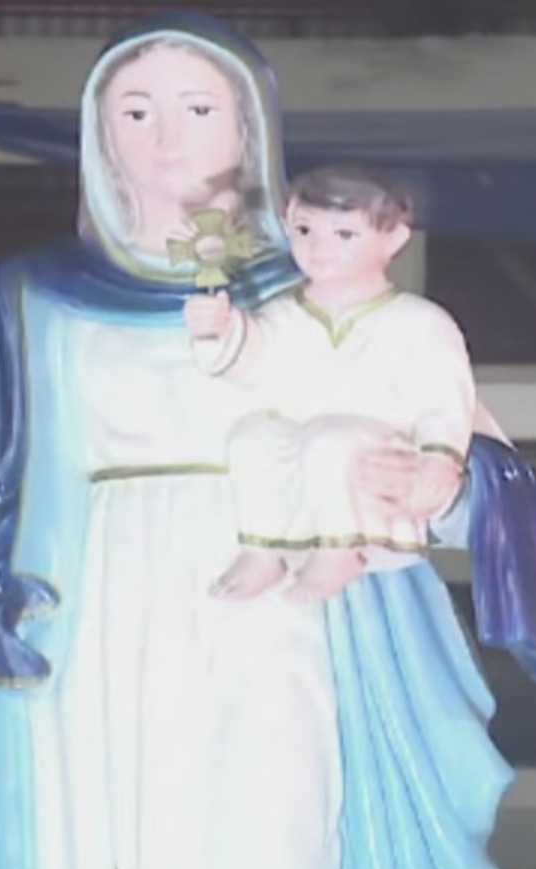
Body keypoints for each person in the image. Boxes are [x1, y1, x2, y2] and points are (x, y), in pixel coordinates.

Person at [0, 12, 536, 869]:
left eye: (198, 108)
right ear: (99, 137)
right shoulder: (26, 301)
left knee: (275, 867)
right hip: (84, 632)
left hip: (273, 621)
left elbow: (474, 474)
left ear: (250, 131)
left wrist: (433, 479)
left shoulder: (327, 304)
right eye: (136, 111)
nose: (166, 134)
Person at [185, 164, 480, 602]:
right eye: (305, 230)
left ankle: (340, 549)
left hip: (377, 456)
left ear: (393, 238)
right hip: (302, 453)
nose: (319, 248)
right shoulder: (283, 314)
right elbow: (249, 363)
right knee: (253, 439)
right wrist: (218, 332)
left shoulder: (420, 323)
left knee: (331, 440)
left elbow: (445, 401)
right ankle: (264, 550)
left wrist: (439, 460)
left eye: (344, 234)